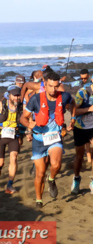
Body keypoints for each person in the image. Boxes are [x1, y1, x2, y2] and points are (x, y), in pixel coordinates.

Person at [20, 71, 73, 208]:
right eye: (50, 86)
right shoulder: (36, 99)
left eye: (56, 86)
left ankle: (52, 179)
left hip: (55, 137)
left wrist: (72, 120)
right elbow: (23, 118)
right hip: (39, 139)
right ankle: (39, 199)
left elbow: (73, 103)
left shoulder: (64, 96)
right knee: (40, 173)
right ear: (45, 84)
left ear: (59, 85)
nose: (53, 90)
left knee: (55, 165)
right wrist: (28, 124)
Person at [70, 70, 93, 194]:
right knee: (79, 157)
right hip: (80, 127)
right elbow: (74, 111)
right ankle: (76, 178)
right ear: (92, 80)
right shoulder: (83, 92)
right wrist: (89, 109)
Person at [0, 86, 24, 194]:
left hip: (13, 136)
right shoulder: (2, 105)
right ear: (9, 95)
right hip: (1, 136)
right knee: (1, 163)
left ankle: (9, 185)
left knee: (13, 158)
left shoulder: (21, 106)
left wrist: (23, 135)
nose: (16, 98)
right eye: (14, 95)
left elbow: (24, 120)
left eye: (18, 95)